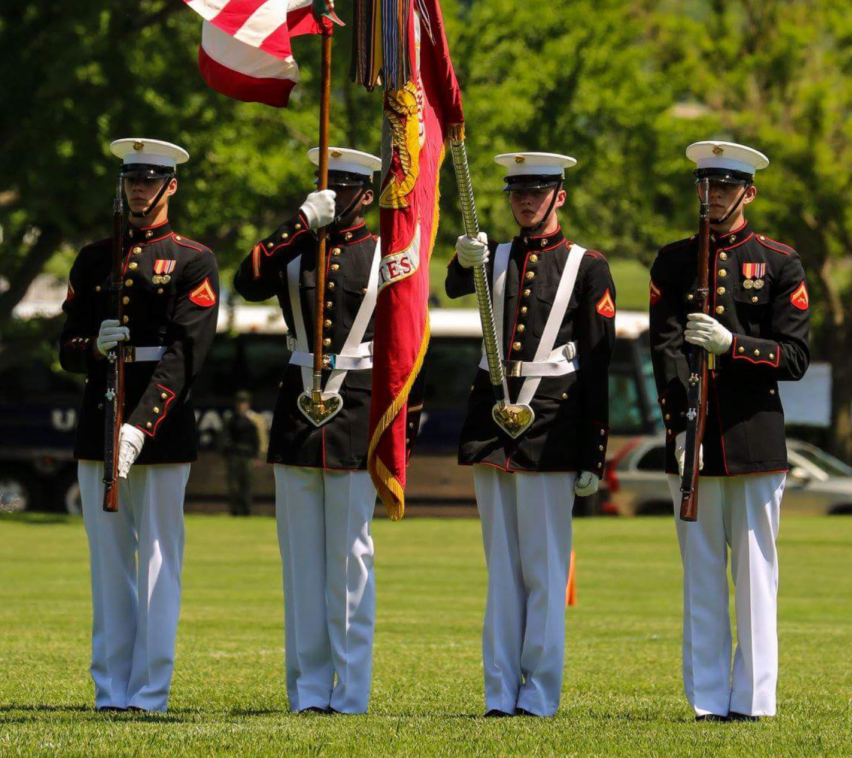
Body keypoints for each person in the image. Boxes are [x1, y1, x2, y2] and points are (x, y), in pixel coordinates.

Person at [234, 146, 420, 715]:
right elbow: (247, 282)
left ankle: (351, 690)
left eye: (342, 190)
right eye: (326, 188)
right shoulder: (296, 246)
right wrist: (299, 221)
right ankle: (308, 691)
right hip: (297, 408)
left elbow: (407, 341)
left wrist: (401, 425)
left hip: (358, 409)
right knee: (300, 561)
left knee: (350, 556)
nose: (333, 199)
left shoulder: (387, 252)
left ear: (365, 194)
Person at [446, 152, 615, 718]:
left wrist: (595, 449)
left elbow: (597, 363)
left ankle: (538, 695)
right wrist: (460, 255)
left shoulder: (586, 265)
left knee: (544, 570)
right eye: (517, 191)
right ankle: (499, 693)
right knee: (502, 569)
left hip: (553, 425)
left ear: (559, 196)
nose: (525, 201)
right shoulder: (490, 256)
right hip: (493, 420)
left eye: (537, 191)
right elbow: (450, 285)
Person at [649, 140, 811, 723]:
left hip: (752, 439)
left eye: (724, 187)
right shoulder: (672, 260)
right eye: (706, 186)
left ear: (749, 192)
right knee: (701, 581)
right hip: (692, 439)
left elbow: (794, 357)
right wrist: (675, 425)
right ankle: (709, 699)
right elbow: (663, 350)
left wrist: (733, 345)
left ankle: (755, 700)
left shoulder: (777, 261)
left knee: (755, 577)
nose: (713, 197)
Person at [59, 137, 220, 713]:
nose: (140, 190)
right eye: (132, 180)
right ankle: (111, 690)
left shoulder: (192, 259)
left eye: (151, 181)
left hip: (161, 425)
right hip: (98, 415)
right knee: (107, 564)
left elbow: (186, 353)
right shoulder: (92, 257)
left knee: (156, 560)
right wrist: (91, 348)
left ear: (171, 186)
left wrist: (139, 426)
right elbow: (66, 346)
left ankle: (150, 691)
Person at [220, 390, 266, 516]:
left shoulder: (254, 419)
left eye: (244, 402)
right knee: (233, 485)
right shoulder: (231, 418)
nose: (242, 405)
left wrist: (260, 456)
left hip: (248, 456)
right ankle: (234, 510)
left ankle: (246, 510)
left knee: (247, 484)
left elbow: (260, 439)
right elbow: (225, 437)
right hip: (234, 455)